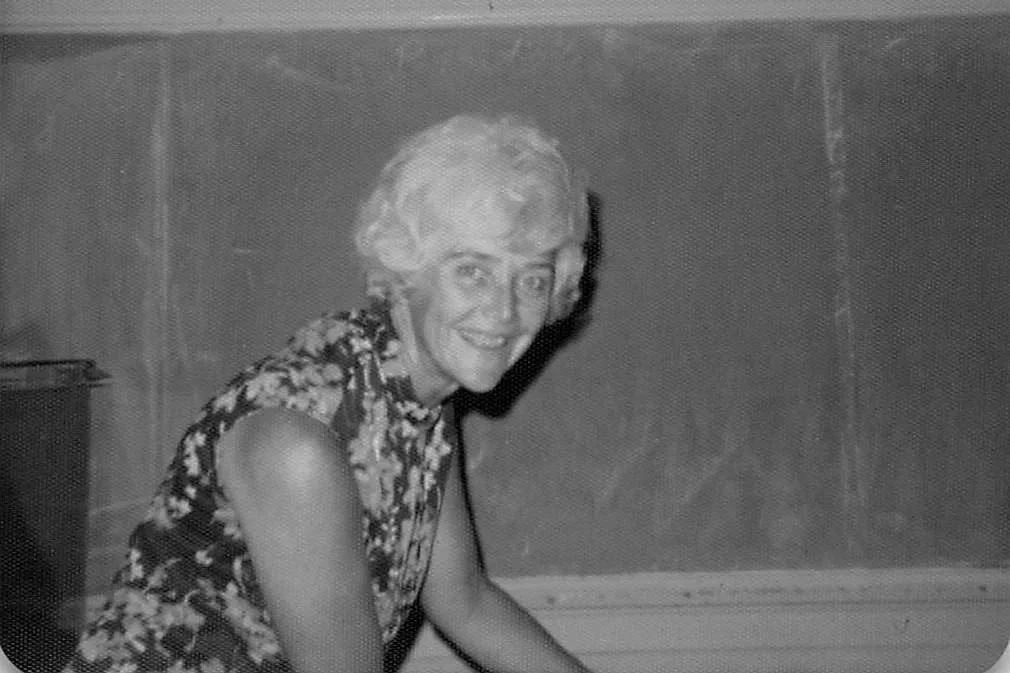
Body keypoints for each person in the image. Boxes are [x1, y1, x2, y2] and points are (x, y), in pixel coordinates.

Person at [62, 114, 594, 673]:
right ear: (406, 268)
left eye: (532, 278)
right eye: (472, 272)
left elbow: (465, 603)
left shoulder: (418, 404)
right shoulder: (298, 441)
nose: (506, 311)